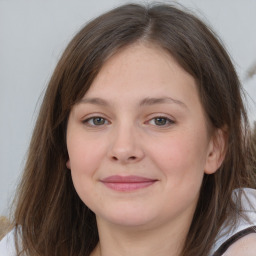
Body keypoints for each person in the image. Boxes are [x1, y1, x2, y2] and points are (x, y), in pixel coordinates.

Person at [0, 2, 256, 256]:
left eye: (160, 120)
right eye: (97, 120)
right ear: (64, 144)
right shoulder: (21, 249)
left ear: (215, 147)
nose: (123, 149)